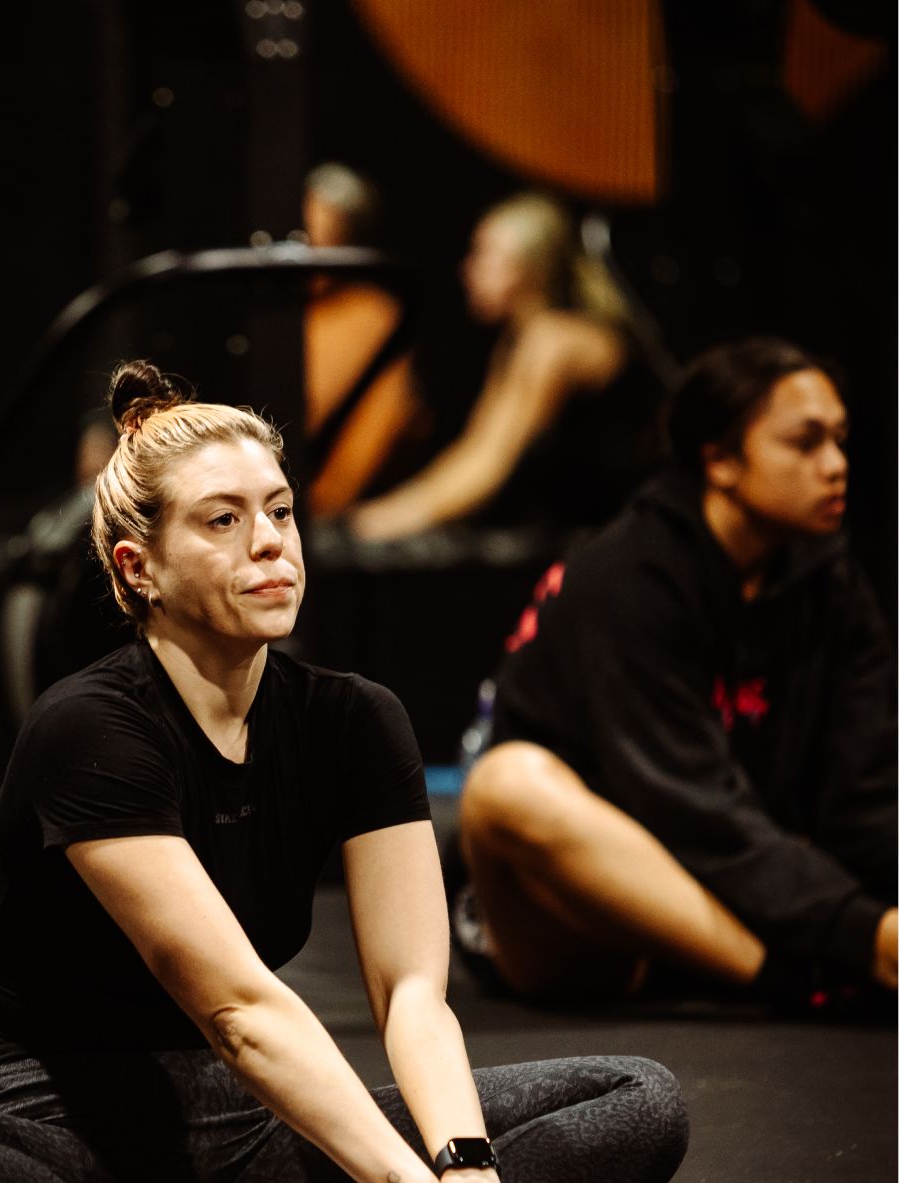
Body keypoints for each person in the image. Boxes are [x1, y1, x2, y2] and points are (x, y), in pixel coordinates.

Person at [0, 361, 688, 1183]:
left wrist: (457, 1171)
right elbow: (237, 1008)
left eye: (281, 512)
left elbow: (411, 992)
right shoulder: (90, 728)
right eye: (222, 520)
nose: (270, 545)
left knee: (638, 1098)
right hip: (63, 1137)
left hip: (256, 1130)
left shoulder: (353, 720)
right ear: (137, 567)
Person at [458, 337, 897, 1005]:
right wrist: (863, 934)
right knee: (506, 785)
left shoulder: (830, 582)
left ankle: (800, 963)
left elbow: (863, 796)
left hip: (745, 885)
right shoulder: (626, 579)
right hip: (583, 922)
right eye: (805, 444)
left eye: (839, 440)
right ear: (720, 461)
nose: (836, 465)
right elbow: (687, 809)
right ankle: (788, 983)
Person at [350, 192, 655, 541]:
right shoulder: (517, 339)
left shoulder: (554, 342)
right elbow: (476, 445)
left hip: (608, 535)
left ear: (529, 270)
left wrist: (390, 518)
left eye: (485, 255)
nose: (467, 268)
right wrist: (394, 508)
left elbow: (490, 463)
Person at [301, 164, 430, 516]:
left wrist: (324, 504)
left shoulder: (373, 315)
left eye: (326, 235)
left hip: (331, 510)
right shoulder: (282, 310)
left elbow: (378, 424)